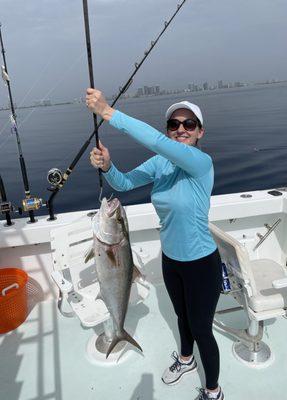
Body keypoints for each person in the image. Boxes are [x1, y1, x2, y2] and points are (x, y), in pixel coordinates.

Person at [86, 88, 224, 400]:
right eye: (174, 125)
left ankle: (213, 390)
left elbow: (155, 141)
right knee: (182, 317)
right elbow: (123, 183)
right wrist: (107, 166)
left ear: (200, 132)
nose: (181, 130)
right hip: (171, 259)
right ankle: (186, 360)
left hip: (202, 262)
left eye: (189, 124)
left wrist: (108, 112)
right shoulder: (161, 164)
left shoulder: (201, 163)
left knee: (202, 328)